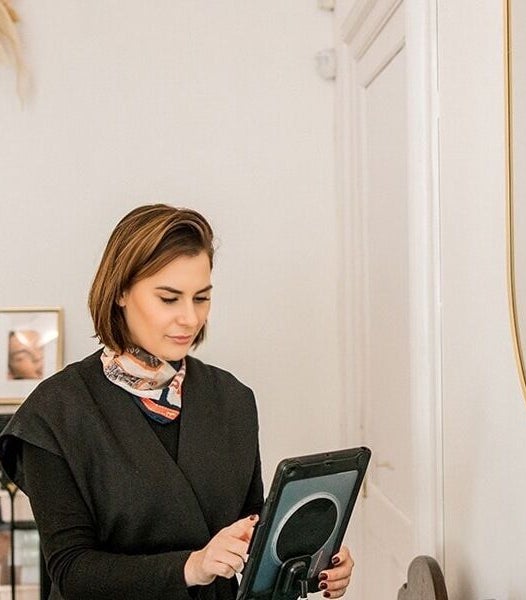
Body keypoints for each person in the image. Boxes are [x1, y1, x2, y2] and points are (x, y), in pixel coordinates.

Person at [0, 205, 355, 599]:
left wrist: (310, 559)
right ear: (119, 292)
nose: (190, 318)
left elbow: (249, 525)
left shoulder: (231, 399)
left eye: (201, 298)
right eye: (169, 298)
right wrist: (192, 566)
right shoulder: (54, 414)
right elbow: (72, 571)